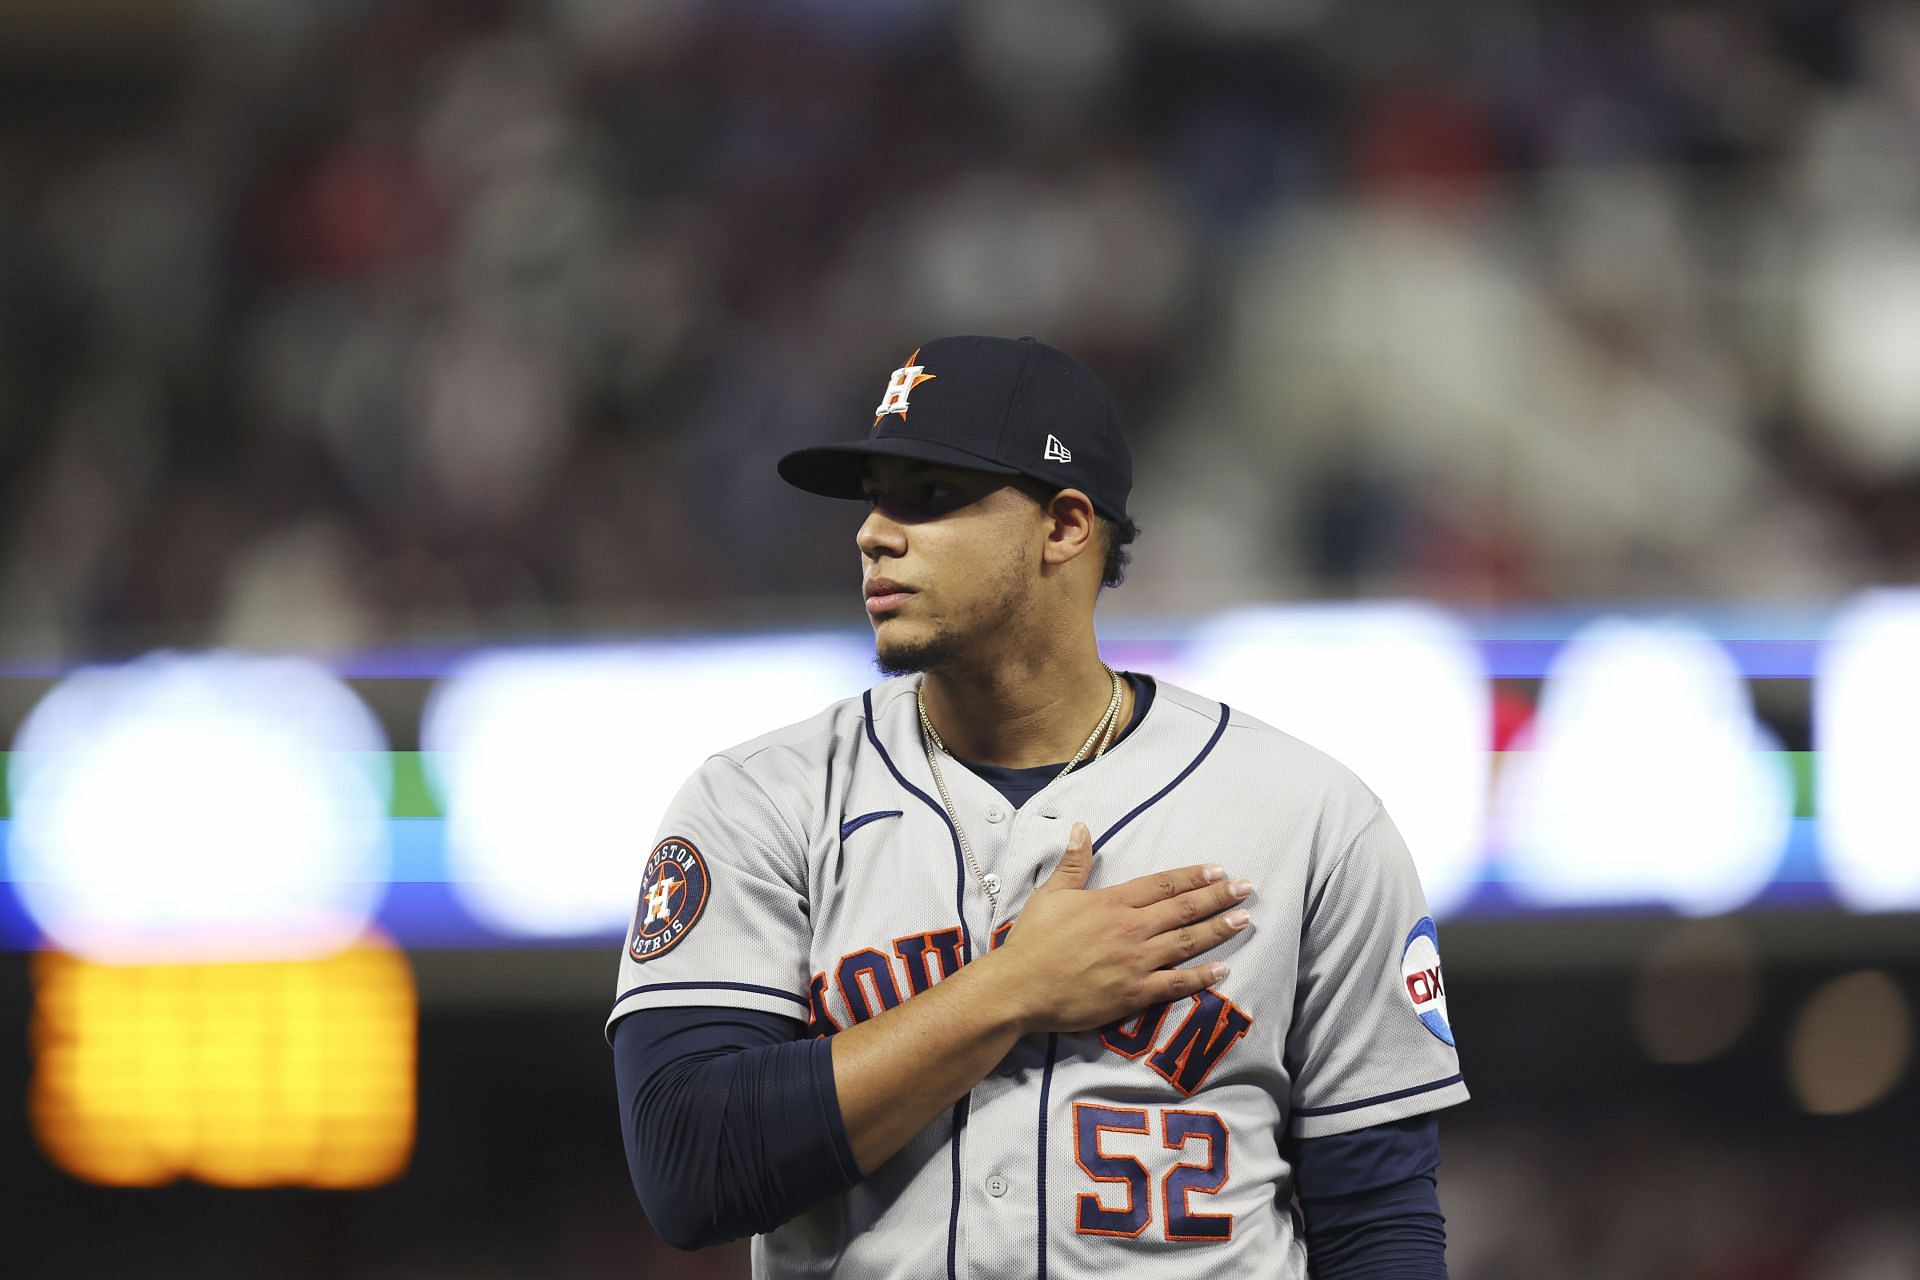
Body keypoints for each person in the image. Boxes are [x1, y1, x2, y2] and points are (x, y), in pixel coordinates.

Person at [609, 335, 1467, 1278]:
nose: (874, 533)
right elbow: (688, 1168)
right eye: (875, 499)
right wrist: (1014, 988)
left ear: (1066, 526)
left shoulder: (1308, 818)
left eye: (928, 496)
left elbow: (1377, 1221)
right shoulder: (760, 802)